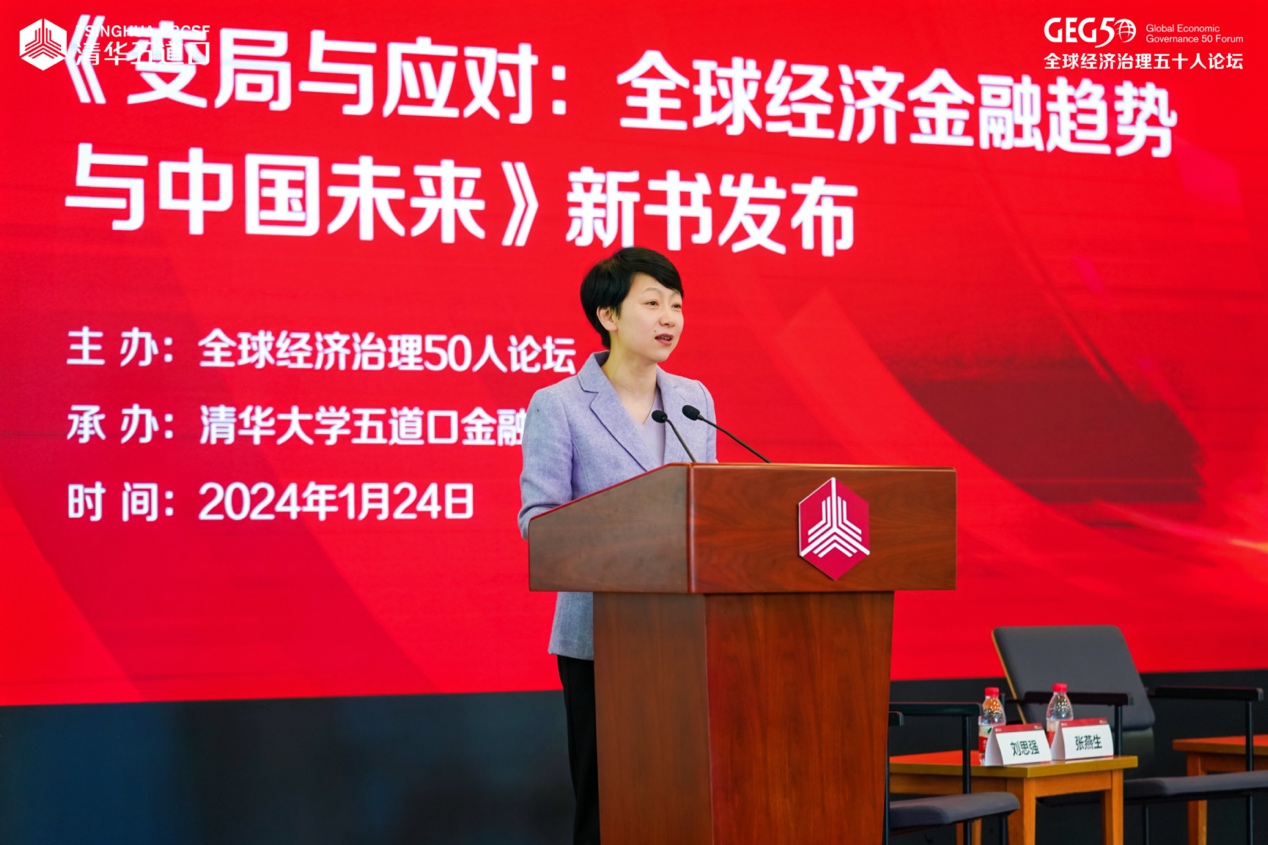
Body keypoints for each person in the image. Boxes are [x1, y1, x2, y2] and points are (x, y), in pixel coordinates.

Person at [517, 247, 716, 845]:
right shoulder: (559, 404)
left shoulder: (694, 400)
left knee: (685, 798)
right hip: (599, 638)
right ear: (608, 315)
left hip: (688, 636)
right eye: (652, 303)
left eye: (676, 305)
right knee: (608, 802)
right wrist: (625, 536)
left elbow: (712, 509)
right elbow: (539, 519)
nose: (669, 318)